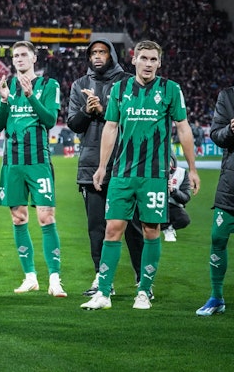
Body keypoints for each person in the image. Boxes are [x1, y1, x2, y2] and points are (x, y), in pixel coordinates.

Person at [81, 40, 200, 311]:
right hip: (122, 173)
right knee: (112, 230)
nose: (148, 64)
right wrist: (102, 167)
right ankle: (103, 293)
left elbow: (183, 128)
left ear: (159, 63)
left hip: (154, 175)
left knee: (150, 231)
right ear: (134, 60)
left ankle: (144, 291)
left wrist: (192, 168)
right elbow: (110, 127)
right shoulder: (119, 89)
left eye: (153, 60)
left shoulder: (171, 89)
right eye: (143, 58)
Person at [66, 38, 145, 296]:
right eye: (93, 52)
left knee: (133, 227)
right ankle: (103, 281)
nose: (97, 56)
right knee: (96, 227)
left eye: (102, 51)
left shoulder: (127, 83)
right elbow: (73, 124)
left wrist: (105, 111)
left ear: (112, 54)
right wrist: (88, 112)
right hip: (91, 166)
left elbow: (136, 121)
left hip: (126, 163)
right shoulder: (80, 85)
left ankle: (142, 278)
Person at [0, 41, 66, 298]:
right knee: (18, 218)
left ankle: (55, 279)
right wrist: (3, 101)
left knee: (46, 217)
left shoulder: (49, 85)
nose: (20, 59)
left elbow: (49, 120)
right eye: (16, 56)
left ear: (34, 58)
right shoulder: (7, 86)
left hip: (38, 162)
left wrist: (30, 97)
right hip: (12, 162)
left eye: (24, 55)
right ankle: (30, 277)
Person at [196, 52, 234, 316]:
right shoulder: (228, 96)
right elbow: (216, 134)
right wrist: (231, 131)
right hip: (232, 180)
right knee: (218, 237)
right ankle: (216, 298)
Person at [161, 156, 192, 242]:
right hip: (156, 203)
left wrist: (173, 191)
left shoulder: (182, 173)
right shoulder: (152, 171)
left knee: (184, 220)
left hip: (173, 205)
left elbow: (186, 197)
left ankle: (168, 228)